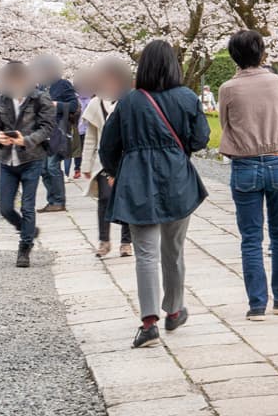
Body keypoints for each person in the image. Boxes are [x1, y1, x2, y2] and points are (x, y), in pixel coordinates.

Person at [99, 39, 211, 349]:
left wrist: (112, 171)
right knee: (173, 250)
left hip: (137, 181)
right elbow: (201, 138)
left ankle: (149, 323)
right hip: (176, 178)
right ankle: (174, 310)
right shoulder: (187, 97)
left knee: (145, 253)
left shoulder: (130, 101)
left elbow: (108, 145)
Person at [218, 29, 278, 321]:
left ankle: (256, 304)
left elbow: (226, 124)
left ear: (234, 56)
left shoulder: (227, 88)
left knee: (250, 237)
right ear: (261, 52)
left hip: (245, 165)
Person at [0, 60, 57, 268]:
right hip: (7, 160)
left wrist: (26, 140)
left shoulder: (40, 99)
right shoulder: (2, 99)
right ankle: (28, 229)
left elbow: (47, 128)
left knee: (28, 207)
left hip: (31, 159)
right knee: (5, 208)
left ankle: (25, 248)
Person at [80, 57, 133, 258]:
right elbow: (91, 138)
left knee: (125, 200)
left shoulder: (129, 100)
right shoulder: (95, 103)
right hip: (103, 161)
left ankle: (126, 242)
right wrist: (86, 164)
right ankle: (104, 240)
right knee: (104, 198)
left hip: (126, 160)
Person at [35, 54, 79, 213]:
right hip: (42, 132)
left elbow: (74, 105)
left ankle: (59, 201)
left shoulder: (63, 84)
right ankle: (52, 200)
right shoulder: (39, 87)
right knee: (43, 169)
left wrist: (57, 105)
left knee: (53, 166)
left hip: (57, 131)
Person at [73, 69, 94, 179]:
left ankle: (87, 167)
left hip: (89, 128)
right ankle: (77, 168)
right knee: (78, 150)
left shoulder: (91, 100)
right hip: (79, 128)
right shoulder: (76, 100)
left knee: (88, 147)